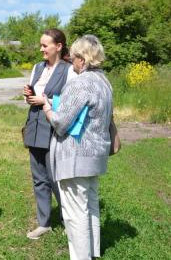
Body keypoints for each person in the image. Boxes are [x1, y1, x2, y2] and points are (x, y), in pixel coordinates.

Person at [43, 34, 112, 259]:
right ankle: (92, 253)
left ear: (82, 59)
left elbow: (61, 123)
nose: (72, 62)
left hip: (76, 157)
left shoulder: (80, 83)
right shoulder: (104, 82)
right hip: (96, 156)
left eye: (73, 58)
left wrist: (47, 108)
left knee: (75, 213)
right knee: (90, 207)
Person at [23, 28, 77, 240]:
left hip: (55, 128)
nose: (41, 49)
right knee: (39, 178)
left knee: (57, 178)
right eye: (41, 45)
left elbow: (73, 101)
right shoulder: (37, 67)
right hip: (35, 126)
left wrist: (47, 101)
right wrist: (28, 95)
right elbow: (33, 94)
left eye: (45, 45)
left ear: (59, 46)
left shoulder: (69, 70)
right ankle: (44, 223)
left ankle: (69, 220)